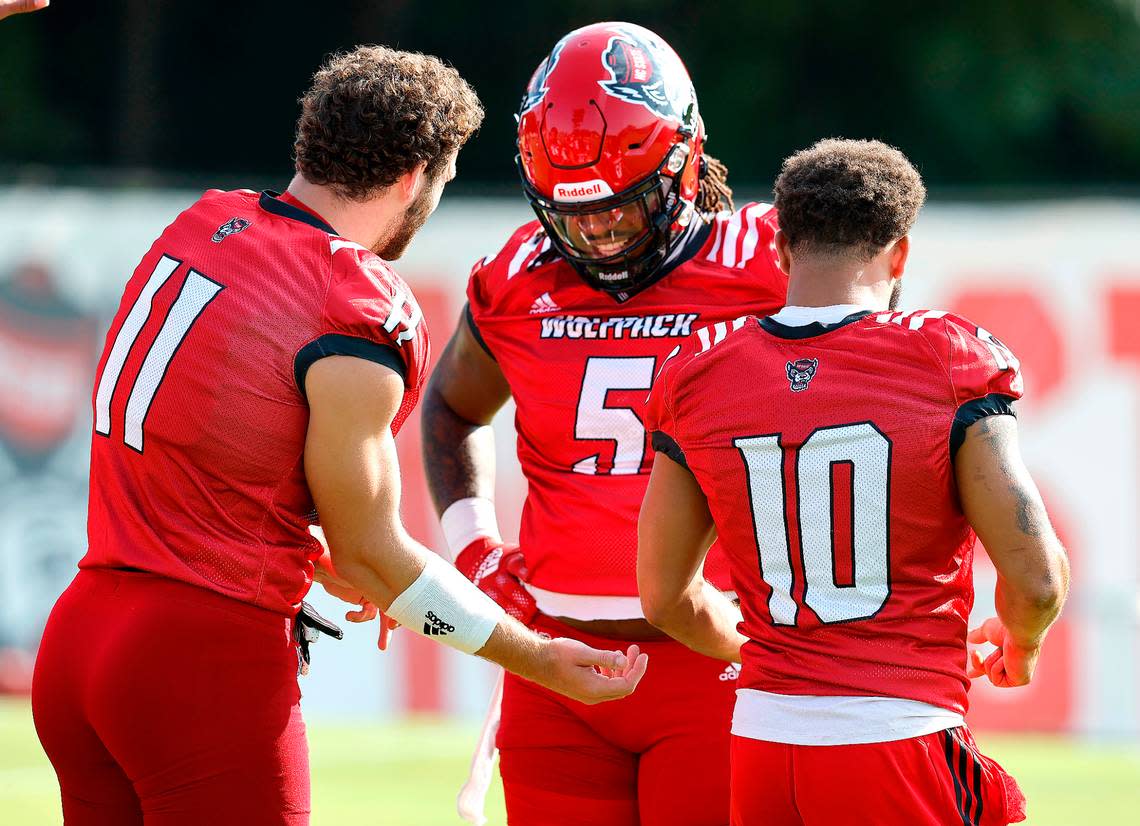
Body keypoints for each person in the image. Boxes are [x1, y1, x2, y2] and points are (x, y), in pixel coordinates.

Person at [31, 45, 647, 826]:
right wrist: (539, 658)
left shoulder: (202, 224)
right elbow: (373, 552)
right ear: (410, 178)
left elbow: (208, 460)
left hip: (81, 638)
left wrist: (316, 556)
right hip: (199, 665)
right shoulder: (354, 299)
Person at [638, 138, 1071, 826]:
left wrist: (785, 655)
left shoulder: (698, 370)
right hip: (899, 733)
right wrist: (1022, 643)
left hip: (762, 742)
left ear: (780, 250)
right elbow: (1038, 578)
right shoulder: (946, 356)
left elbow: (664, 598)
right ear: (900, 252)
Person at [422, 22, 785, 826]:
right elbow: (449, 406)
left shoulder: (769, 265)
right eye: (573, 212)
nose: (598, 230)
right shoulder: (517, 282)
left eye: (624, 204)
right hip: (555, 671)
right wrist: (475, 549)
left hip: (716, 661)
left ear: (686, 163)